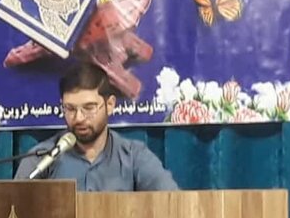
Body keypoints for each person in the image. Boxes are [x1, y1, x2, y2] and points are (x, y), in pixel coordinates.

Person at [15, 63, 179, 191]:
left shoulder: (133, 157)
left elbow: (171, 202)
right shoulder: (42, 159)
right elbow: (15, 208)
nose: (79, 118)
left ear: (110, 105)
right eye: (70, 109)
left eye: (89, 108)